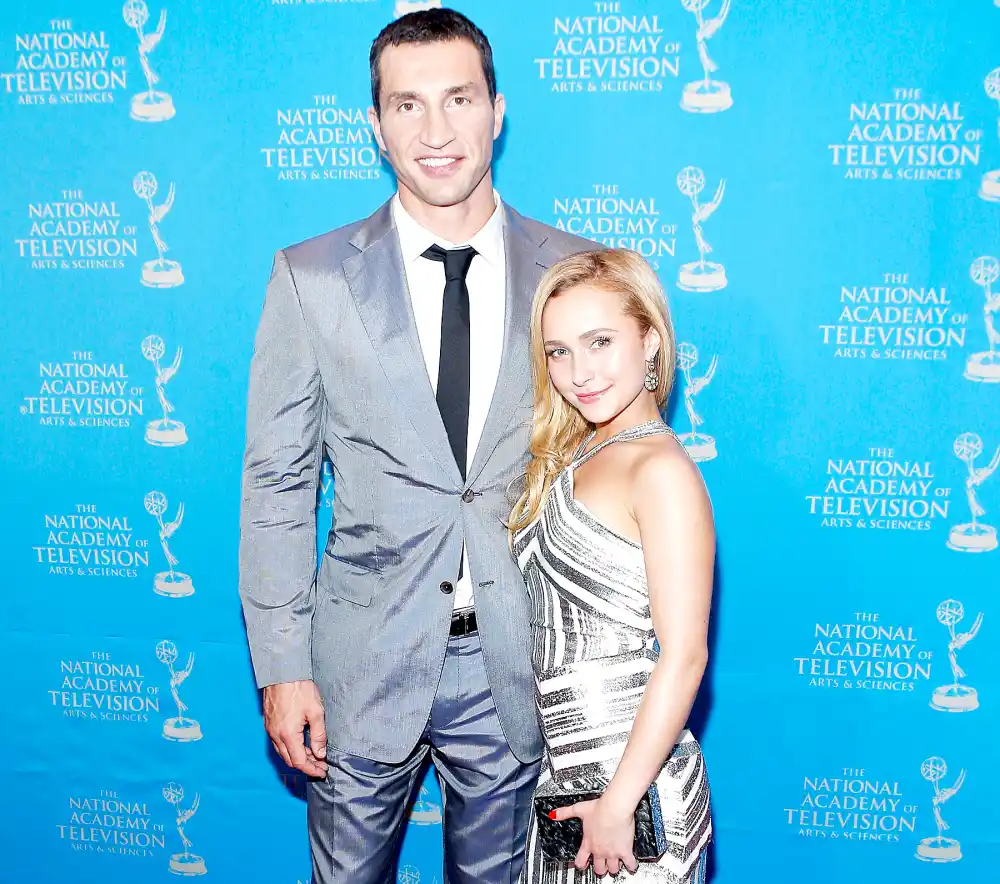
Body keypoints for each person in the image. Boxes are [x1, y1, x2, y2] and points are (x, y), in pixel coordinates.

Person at [238, 9, 593, 884]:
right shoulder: (311, 276)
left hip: (518, 664)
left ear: (497, 111)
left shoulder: (575, 272)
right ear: (376, 126)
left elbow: (612, 475)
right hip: (359, 664)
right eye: (407, 106)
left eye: (458, 99)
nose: (436, 133)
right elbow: (279, 485)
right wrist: (282, 666)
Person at [509, 249, 715, 883]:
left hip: (635, 798)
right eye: (559, 351)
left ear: (650, 338)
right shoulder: (577, 448)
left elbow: (684, 657)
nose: (579, 372)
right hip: (565, 787)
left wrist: (620, 802)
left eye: (600, 342)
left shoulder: (661, 471)